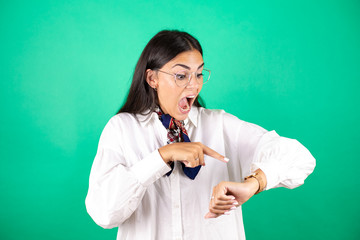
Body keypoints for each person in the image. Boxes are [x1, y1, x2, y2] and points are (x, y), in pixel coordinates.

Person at [85, 30, 316, 240]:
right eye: (181, 76)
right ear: (152, 79)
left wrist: (254, 183)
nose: (194, 86)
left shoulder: (220, 126)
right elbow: (104, 213)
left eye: (198, 74)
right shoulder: (122, 129)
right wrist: (161, 156)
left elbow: (300, 158)